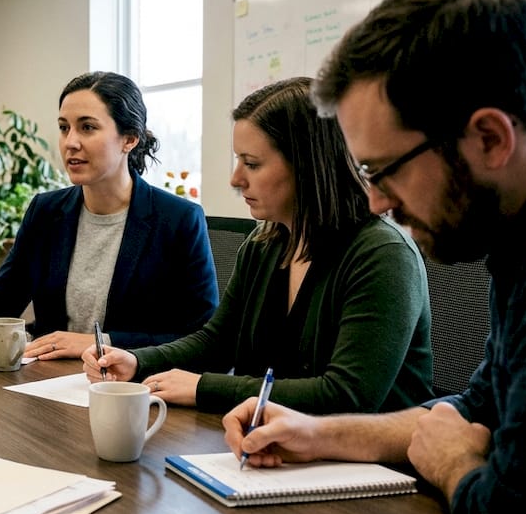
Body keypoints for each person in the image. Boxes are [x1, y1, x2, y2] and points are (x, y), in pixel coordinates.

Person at [223, 0, 526, 514]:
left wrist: (457, 464)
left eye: (384, 170)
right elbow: (475, 408)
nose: (375, 202)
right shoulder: (515, 235)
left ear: (489, 138)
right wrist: (315, 435)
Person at [83, 76, 434, 415]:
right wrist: (137, 360)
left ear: (308, 165)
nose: (236, 179)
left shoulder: (382, 254)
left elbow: (347, 395)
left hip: (372, 468)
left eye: (251, 163)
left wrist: (205, 388)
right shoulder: (265, 243)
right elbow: (217, 342)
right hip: (277, 446)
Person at [0, 71, 219, 360]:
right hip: (48, 382)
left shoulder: (178, 220)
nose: (70, 142)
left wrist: (104, 342)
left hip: (133, 391)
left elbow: (200, 338)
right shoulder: (47, 211)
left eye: (87, 127)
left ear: (129, 138)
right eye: (64, 127)